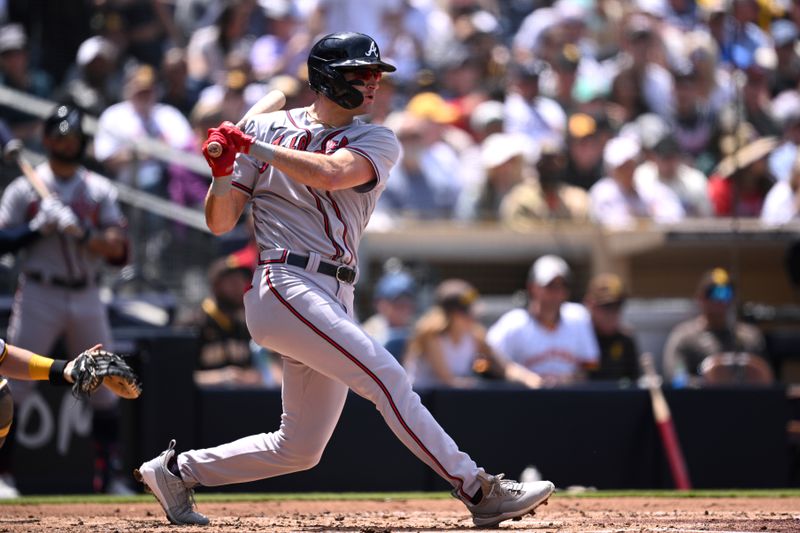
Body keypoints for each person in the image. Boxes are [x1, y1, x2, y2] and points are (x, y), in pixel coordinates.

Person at [135, 32, 554, 528]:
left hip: (334, 291)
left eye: (374, 74)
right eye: (360, 74)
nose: (372, 84)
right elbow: (220, 221)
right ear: (326, 78)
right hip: (284, 281)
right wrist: (223, 171)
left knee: (299, 448)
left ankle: (176, 472)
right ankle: (479, 490)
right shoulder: (266, 129)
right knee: (388, 377)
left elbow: (332, 173)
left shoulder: (376, 138)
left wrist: (255, 146)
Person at [0, 104, 130, 494]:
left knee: (105, 381)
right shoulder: (25, 187)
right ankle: (3, 476)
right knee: (12, 387)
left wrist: (84, 233)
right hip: (40, 291)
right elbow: (2, 239)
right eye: (59, 137)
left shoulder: (98, 188)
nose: (65, 144)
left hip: (88, 293)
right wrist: (38, 227)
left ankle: (109, 479)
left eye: (71, 138)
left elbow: (120, 251)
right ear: (47, 140)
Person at [403, 278, 542, 389]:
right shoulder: (430, 336)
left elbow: (504, 366)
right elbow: (448, 381)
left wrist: (529, 379)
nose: (472, 317)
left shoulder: (475, 336)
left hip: (446, 403)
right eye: (465, 312)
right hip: (420, 404)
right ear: (452, 315)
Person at [487, 255, 600, 386]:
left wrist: (567, 380)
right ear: (532, 287)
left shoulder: (578, 317)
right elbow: (486, 360)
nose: (557, 292)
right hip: (524, 400)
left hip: (569, 400)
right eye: (550, 286)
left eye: (563, 286)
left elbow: (590, 365)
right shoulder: (513, 323)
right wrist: (522, 376)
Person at [662, 267, 771, 387]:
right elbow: (677, 379)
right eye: (713, 293)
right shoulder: (684, 337)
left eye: (726, 293)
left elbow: (765, 379)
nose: (720, 300)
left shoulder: (749, 338)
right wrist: (707, 384)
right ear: (700, 297)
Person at [179, 257, 273, 388]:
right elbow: (177, 377)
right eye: (233, 282)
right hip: (202, 405)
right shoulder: (192, 325)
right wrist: (222, 377)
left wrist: (253, 377)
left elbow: (262, 372)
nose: (240, 287)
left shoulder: (246, 325)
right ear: (216, 285)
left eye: (243, 281)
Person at [583, 273, 640, 383]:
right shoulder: (580, 338)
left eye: (617, 306)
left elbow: (634, 384)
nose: (612, 314)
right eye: (606, 307)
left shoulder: (625, 341)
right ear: (589, 304)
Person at [361, 268, 418, 361]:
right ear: (380, 304)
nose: (404, 309)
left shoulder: (418, 330)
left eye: (408, 303)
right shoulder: (367, 332)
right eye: (398, 304)